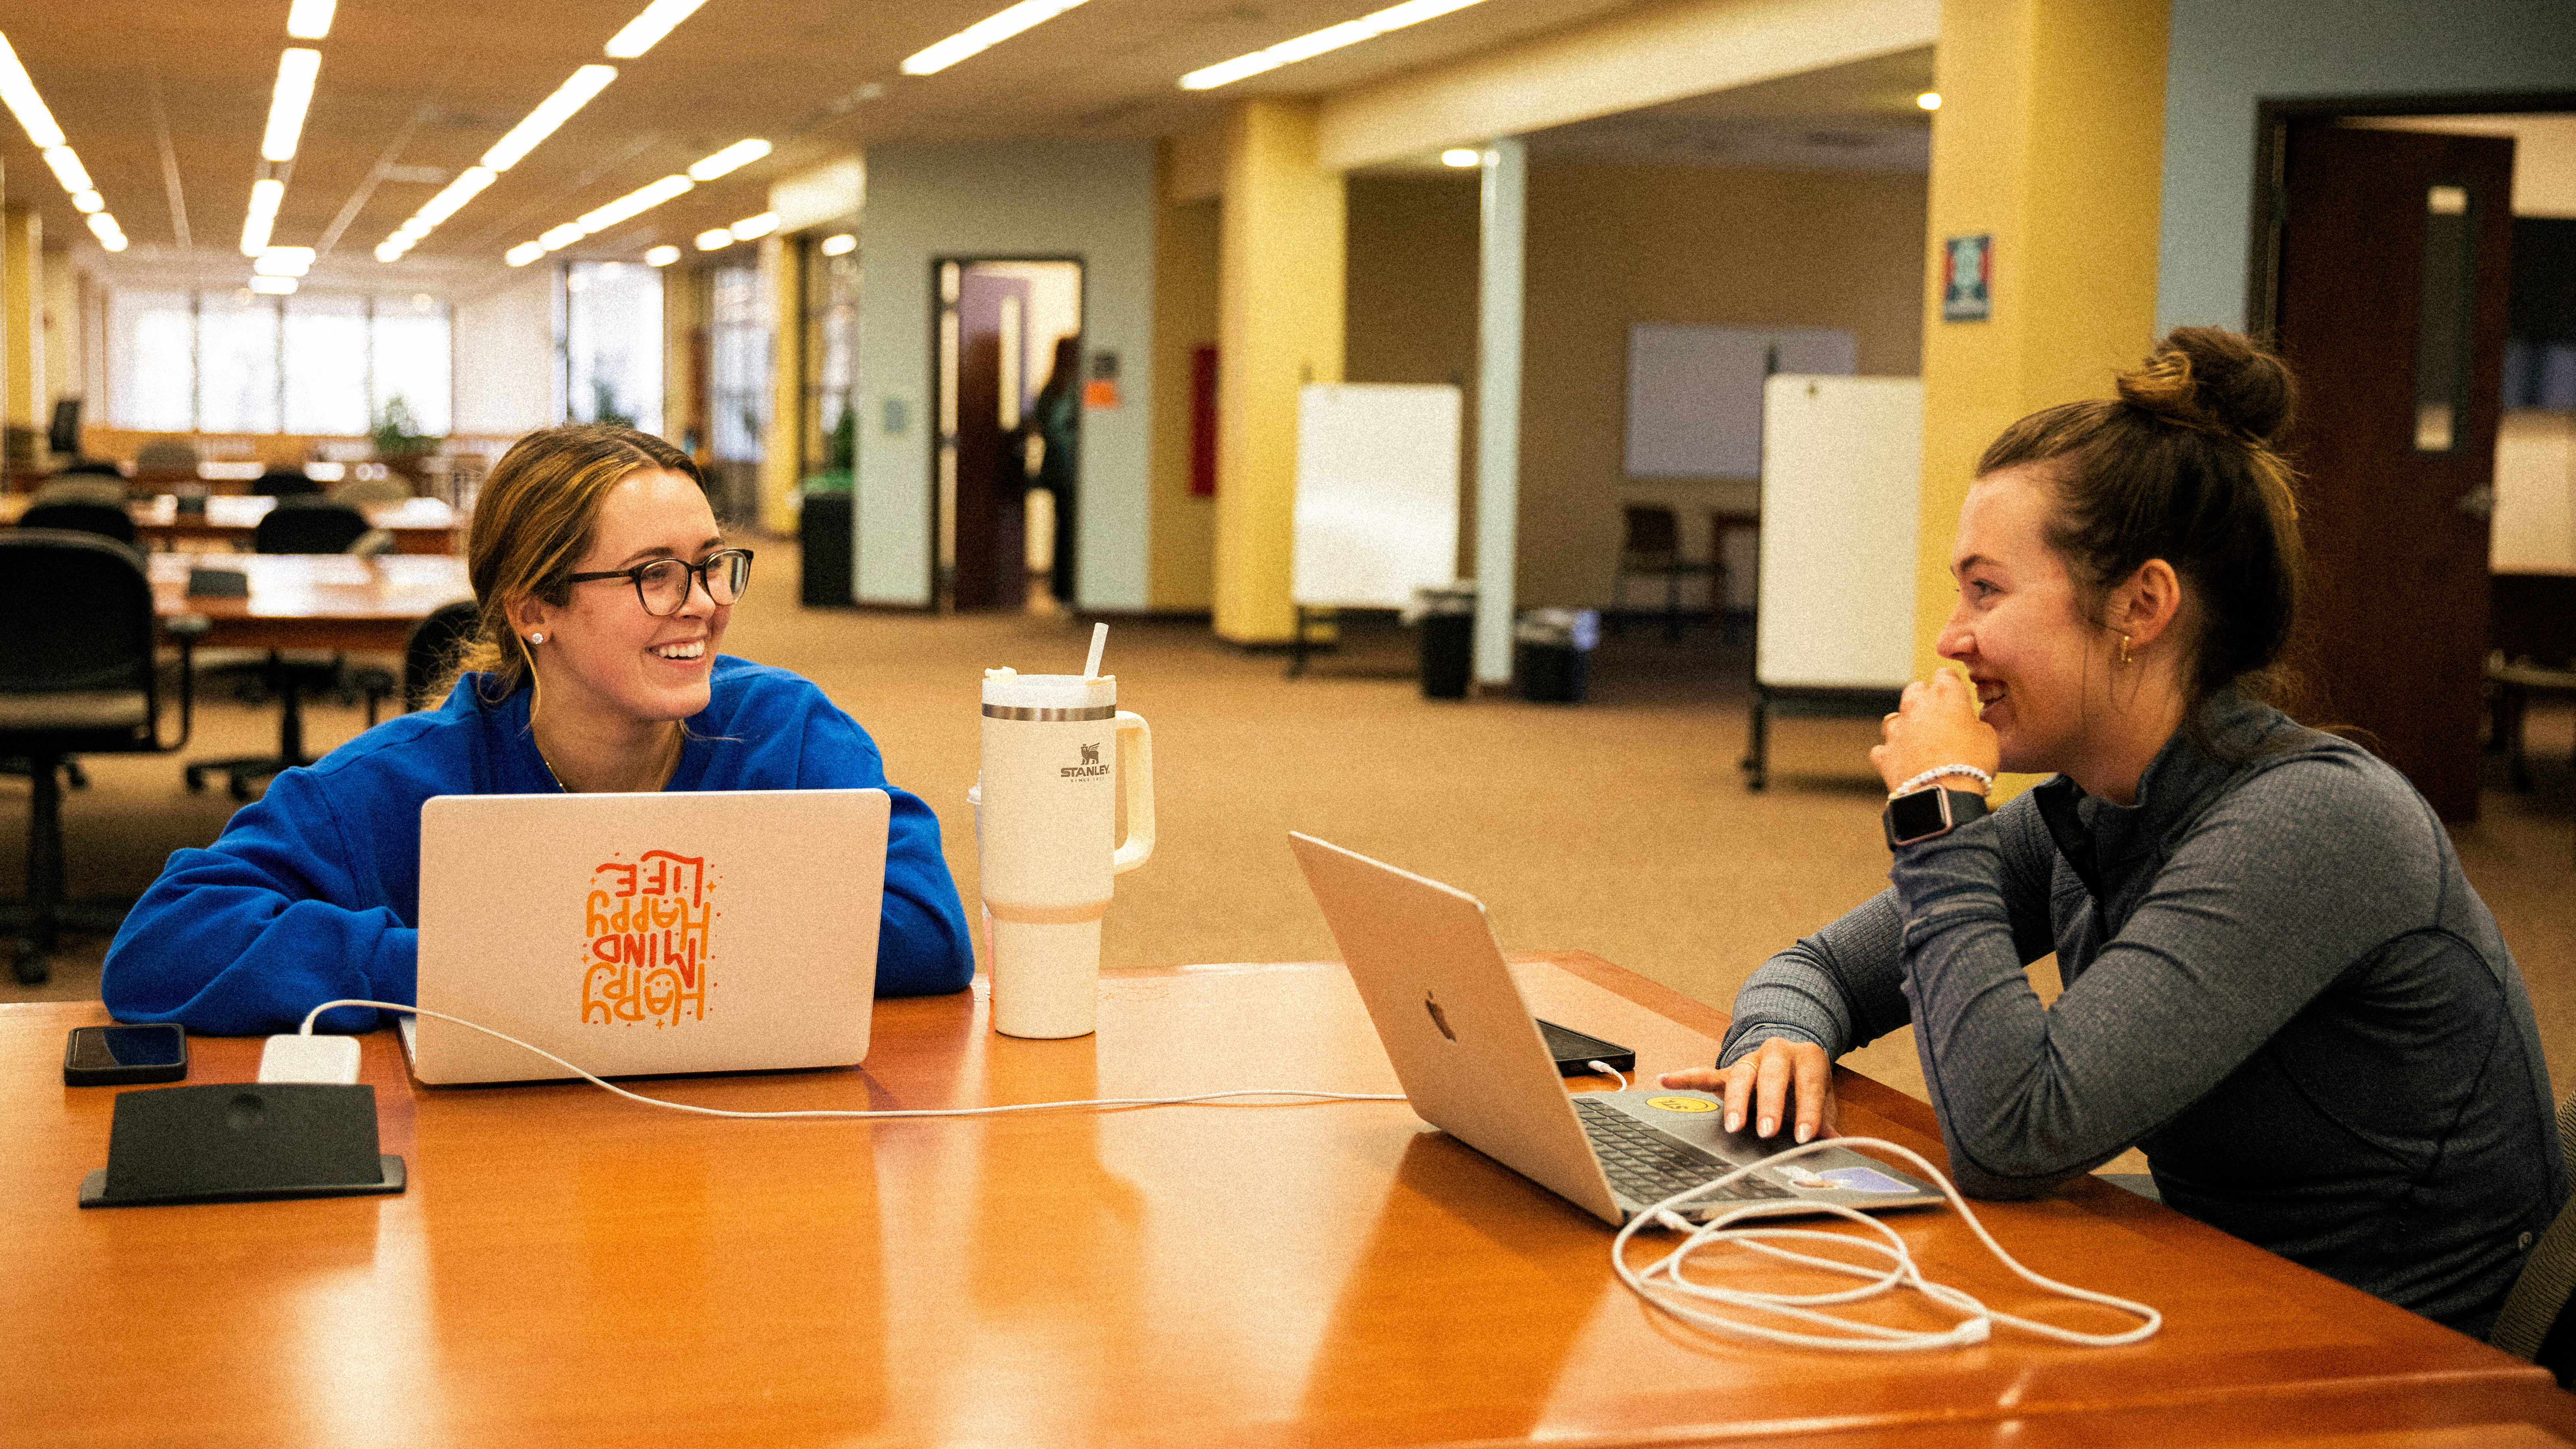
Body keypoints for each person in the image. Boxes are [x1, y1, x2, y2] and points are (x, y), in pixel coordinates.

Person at [1663, 328, 2563, 1336]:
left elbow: (2012, 1132)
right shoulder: (2102, 803)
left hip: (2409, 1350)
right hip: (2223, 1272)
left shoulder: (2315, 824)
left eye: (1986, 589)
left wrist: (1940, 811)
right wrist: (1782, 1035)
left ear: (2141, 604)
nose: (1951, 637)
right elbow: (1817, 967)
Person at [103, 424, 974, 1034]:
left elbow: (928, 932)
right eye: (654, 576)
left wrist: (582, 955)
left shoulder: (786, 731)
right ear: (533, 609)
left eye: (714, 566)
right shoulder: (406, 779)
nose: (705, 606)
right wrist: (451, 968)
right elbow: (164, 944)